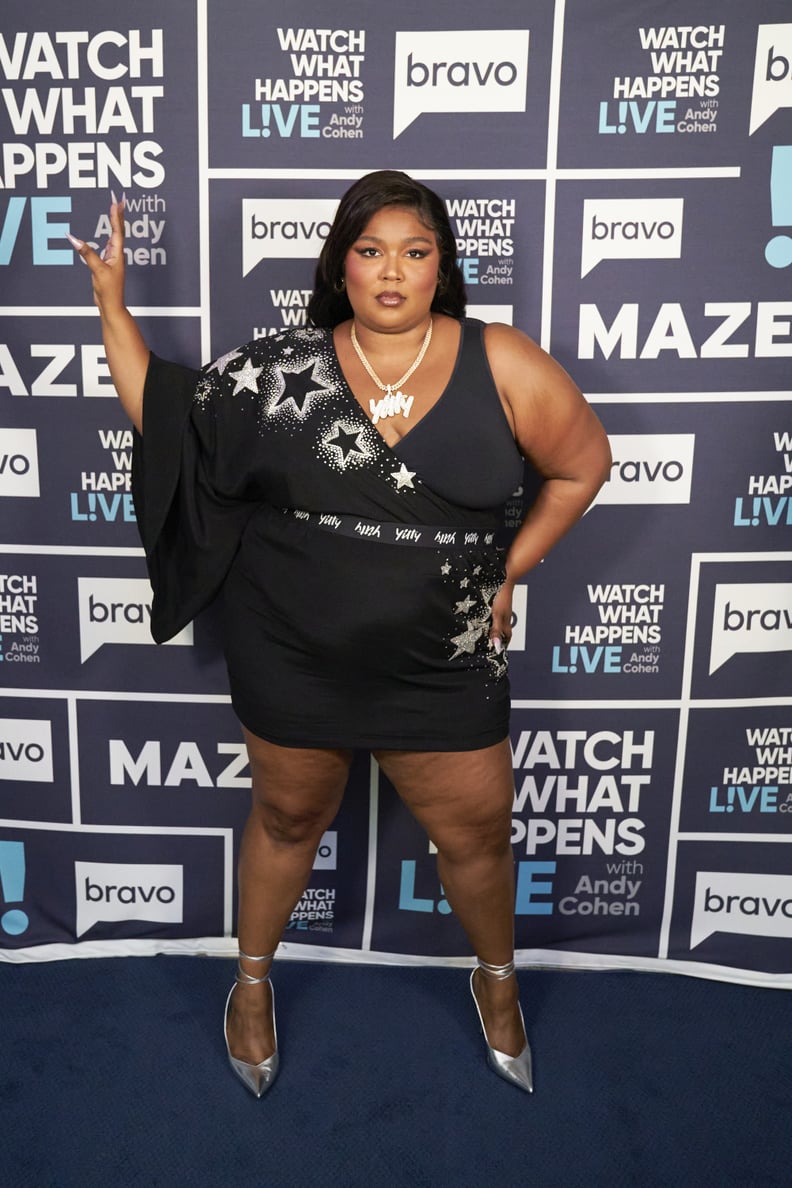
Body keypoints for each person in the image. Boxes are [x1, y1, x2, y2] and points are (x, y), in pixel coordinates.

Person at [68, 170, 612, 1098]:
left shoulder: (504, 360)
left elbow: (583, 465)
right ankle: (248, 987)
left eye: (415, 251)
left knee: (477, 839)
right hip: (294, 655)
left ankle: (497, 982)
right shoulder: (285, 369)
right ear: (341, 266)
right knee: (286, 819)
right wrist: (111, 304)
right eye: (370, 252)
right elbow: (164, 414)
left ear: (442, 268)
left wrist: (503, 573)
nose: (392, 272)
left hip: (440, 665)